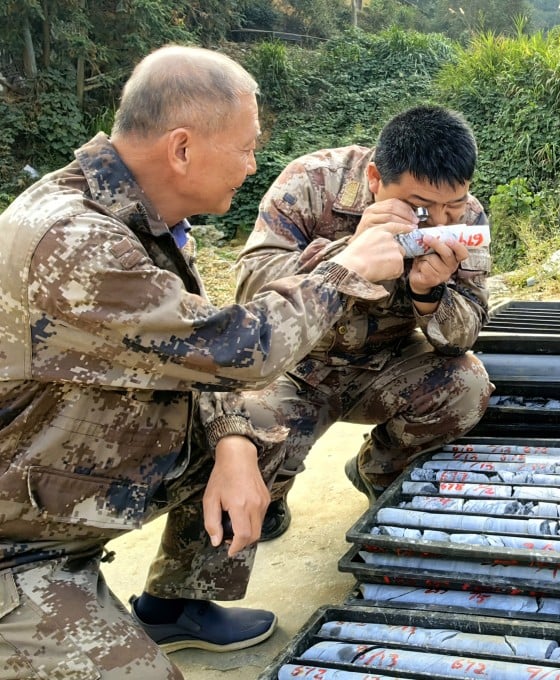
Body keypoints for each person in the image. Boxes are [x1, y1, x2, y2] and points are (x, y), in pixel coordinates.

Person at [0, 45, 410, 678]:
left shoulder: (136, 216)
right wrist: (344, 270)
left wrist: (234, 443)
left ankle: (175, 606)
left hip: (60, 487)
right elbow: (232, 349)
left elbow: (186, 357)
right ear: (182, 148)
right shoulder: (74, 241)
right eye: (245, 148)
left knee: (261, 427)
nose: (252, 165)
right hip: (19, 540)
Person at [235, 105, 494, 539]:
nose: (439, 221)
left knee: (466, 384)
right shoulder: (311, 182)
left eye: (453, 205)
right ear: (375, 178)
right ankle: (272, 492)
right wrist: (348, 254)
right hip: (297, 366)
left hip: (386, 364)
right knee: (240, 429)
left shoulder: (467, 216)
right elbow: (251, 294)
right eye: (420, 208)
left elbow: (463, 336)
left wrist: (430, 294)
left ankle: (378, 470)